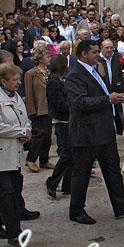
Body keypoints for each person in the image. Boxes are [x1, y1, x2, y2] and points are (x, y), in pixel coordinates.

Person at [65, 39, 124, 225]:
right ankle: (76, 209)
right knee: (81, 173)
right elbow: (78, 103)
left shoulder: (94, 69)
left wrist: (114, 98)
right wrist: (108, 99)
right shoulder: (75, 74)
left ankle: (121, 204)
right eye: (94, 52)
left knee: (112, 170)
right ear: (83, 54)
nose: (98, 54)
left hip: (104, 131)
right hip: (86, 133)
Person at [0, 62, 38, 247]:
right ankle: (14, 234)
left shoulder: (15, 96)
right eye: (15, 79)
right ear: (3, 81)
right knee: (7, 194)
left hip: (14, 155)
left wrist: (27, 130)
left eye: (19, 78)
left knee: (13, 190)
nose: (19, 82)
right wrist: (20, 132)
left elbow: (25, 119)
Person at [45, 54, 72, 198]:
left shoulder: (62, 80)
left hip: (67, 120)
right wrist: (74, 106)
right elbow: (59, 104)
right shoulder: (54, 82)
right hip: (62, 121)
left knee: (71, 154)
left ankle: (67, 185)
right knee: (67, 153)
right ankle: (52, 182)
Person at [23, 45, 53, 172]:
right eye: (47, 56)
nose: (49, 59)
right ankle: (31, 158)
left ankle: (44, 160)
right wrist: (31, 111)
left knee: (48, 135)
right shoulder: (31, 74)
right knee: (39, 134)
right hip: (38, 109)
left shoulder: (49, 73)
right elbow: (29, 94)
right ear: (40, 59)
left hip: (49, 108)